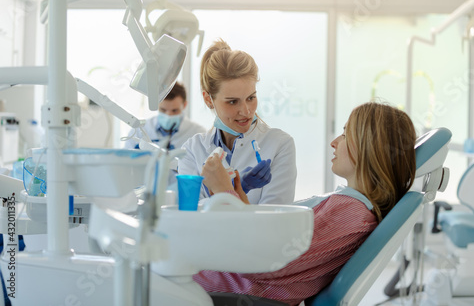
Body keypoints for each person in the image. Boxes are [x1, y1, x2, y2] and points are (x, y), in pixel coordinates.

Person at [195, 102, 417, 305]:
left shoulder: (350, 214)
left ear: (370, 148)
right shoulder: (346, 206)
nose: (334, 142)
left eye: (346, 133)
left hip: (226, 293)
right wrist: (237, 193)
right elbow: (264, 238)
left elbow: (262, 261)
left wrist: (222, 192)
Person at [178, 39, 297, 204]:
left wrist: (227, 193)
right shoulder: (192, 150)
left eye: (251, 98)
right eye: (233, 102)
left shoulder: (280, 145)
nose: (246, 110)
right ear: (208, 99)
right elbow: (190, 216)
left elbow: (274, 223)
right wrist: (237, 189)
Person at [123, 81, 205, 150]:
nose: (168, 115)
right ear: (157, 105)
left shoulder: (198, 134)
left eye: (175, 110)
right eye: (163, 110)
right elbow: (125, 162)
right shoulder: (139, 131)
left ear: (184, 105)